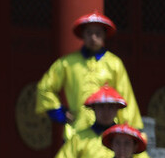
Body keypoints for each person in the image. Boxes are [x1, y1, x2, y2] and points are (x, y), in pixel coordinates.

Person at [36, 11, 141, 140]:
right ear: (83, 35)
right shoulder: (67, 63)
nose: (93, 38)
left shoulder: (114, 64)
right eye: (89, 33)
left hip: (108, 133)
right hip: (76, 130)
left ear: (104, 36)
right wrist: (58, 112)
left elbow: (125, 97)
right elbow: (45, 87)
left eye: (98, 33)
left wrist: (129, 128)